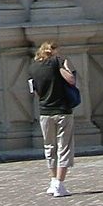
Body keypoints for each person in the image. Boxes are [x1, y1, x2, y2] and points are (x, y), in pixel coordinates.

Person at [28, 40, 77, 197]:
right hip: (62, 110)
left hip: (44, 112)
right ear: (54, 51)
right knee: (64, 147)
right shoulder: (58, 62)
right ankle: (59, 184)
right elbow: (71, 80)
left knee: (49, 147)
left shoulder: (33, 67)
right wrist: (65, 68)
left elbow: (35, 92)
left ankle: (52, 181)